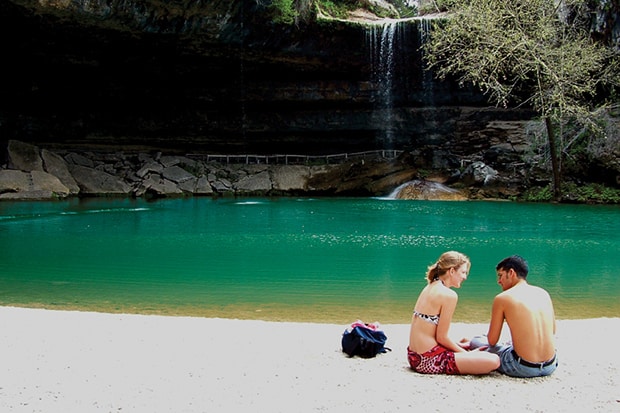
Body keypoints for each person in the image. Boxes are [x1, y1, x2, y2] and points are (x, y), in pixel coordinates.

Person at [407, 251, 500, 375]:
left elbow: (432, 333)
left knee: (466, 341)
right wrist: (466, 354)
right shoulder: (449, 295)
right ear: (451, 271)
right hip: (428, 360)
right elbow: (442, 337)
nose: (465, 277)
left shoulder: (430, 286)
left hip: (414, 357)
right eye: (463, 272)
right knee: (494, 360)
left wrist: (458, 347)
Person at [469, 255, 558, 378]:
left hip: (522, 367)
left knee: (477, 340)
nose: (499, 281)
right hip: (550, 366)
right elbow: (553, 330)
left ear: (511, 272)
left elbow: (492, 341)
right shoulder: (543, 293)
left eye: (500, 276)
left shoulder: (503, 298)